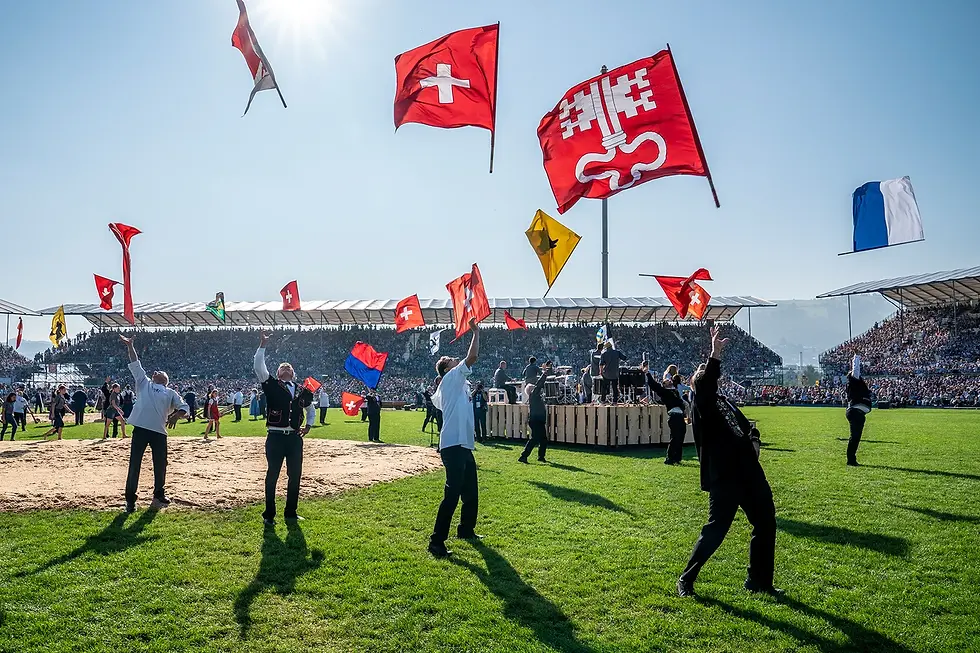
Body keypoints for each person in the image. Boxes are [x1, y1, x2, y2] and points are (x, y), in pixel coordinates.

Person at [677, 326, 781, 598]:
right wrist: (715, 354)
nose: (706, 374)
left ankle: (759, 581)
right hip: (725, 475)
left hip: (749, 470)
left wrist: (755, 439)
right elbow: (706, 383)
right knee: (717, 529)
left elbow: (747, 426)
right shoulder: (702, 402)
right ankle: (686, 579)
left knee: (766, 522)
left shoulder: (725, 402)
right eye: (701, 374)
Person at [428, 318, 480, 558]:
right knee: (452, 494)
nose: (454, 358)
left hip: (463, 445)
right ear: (447, 369)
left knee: (471, 491)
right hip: (452, 446)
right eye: (450, 359)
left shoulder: (459, 383)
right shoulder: (451, 379)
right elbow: (472, 358)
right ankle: (436, 541)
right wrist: (475, 333)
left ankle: (466, 530)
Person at [120, 335, 188, 512]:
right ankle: (130, 499)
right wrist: (130, 346)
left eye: (160, 371)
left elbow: (184, 407)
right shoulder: (144, 383)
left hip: (159, 431)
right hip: (141, 429)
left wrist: (176, 415)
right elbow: (136, 363)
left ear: (165, 379)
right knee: (135, 464)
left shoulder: (170, 392)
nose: (156, 371)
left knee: (160, 464)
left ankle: (159, 493)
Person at [254, 332, 315, 526]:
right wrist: (262, 345)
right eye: (282, 367)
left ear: (293, 373)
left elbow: (310, 408)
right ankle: (269, 514)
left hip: (295, 438)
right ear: (278, 373)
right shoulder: (270, 384)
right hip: (275, 436)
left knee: (295, 475)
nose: (286, 368)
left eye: (289, 367)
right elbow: (258, 366)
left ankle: (291, 512)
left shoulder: (301, 389)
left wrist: (309, 424)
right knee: (272, 474)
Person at [642, 363, 687, 465]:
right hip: (674, 416)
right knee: (675, 437)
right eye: (666, 381)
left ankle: (677, 458)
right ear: (664, 385)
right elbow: (653, 385)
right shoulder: (664, 392)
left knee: (681, 437)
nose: (669, 380)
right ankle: (670, 458)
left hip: (680, 416)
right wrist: (647, 373)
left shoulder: (674, 391)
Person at [519, 362, 553, 464]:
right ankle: (523, 456)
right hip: (536, 420)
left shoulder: (534, 397)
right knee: (535, 439)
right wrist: (544, 374)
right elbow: (539, 385)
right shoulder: (534, 395)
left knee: (543, 439)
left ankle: (540, 457)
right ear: (531, 390)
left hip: (537, 420)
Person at [844, 354, 872, 466]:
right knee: (855, 437)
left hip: (859, 413)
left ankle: (852, 459)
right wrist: (856, 357)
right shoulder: (854, 380)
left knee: (856, 438)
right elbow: (855, 369)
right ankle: (850, 460)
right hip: (855, 411)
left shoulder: (854, 385)